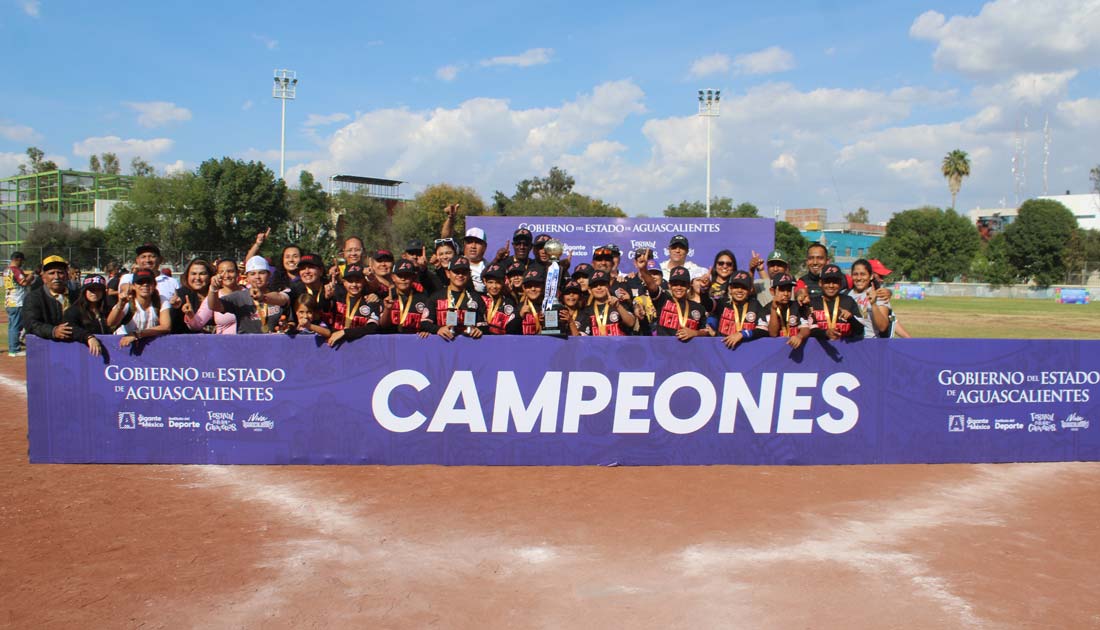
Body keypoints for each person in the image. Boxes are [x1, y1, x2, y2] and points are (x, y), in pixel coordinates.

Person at [205, 256, 287, 334]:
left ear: (269, 275)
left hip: (275, 342)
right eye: (252, 274)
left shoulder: (278, 295)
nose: (257, 277)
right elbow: (214, 306)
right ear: (247, 277)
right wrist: (213, 288)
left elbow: (288, 313)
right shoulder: (239, 297)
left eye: (262, 273)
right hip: (246, 342)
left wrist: (287, 325)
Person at [419, 257, 486, 341]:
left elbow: (483, 325)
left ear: (469, 274)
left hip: (468, 343)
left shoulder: (476, 298)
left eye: (464, 272)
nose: (460, 275)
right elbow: (425, 323)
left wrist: (479, 330)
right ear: (448, 274)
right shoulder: (436, 297)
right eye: (456, 272)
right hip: (443, 342)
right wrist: (438, 329)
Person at [639, 265, 708, 341]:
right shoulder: (662, 300)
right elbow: (652, 286)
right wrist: (643, 269)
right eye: (675, 284)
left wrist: (694, 333)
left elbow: (706, 332)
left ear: (688, 286)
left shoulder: (698, 308)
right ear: (669, 285)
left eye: (683, 284)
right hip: (663, 347)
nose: (679, 287)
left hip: (688, 348)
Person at [22, 255, 79, 344]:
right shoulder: (33, 298)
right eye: (51, 273)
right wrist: (53, 331)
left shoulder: (77, 296)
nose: (56, 277)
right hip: (46, 346)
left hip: (75, 344)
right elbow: (31, 324)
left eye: (60, 272)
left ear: (66, 276)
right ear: (43, 277)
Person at [109, 268, 171, 348]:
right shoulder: (128, 301)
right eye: (140, 282)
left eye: (149, 282)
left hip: (148, 343)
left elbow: (166, 327)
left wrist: (137, 334)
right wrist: (119, 306)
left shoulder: (161, 300)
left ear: (154, 285)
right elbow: (111, 323)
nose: (145, 285)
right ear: (134, 286)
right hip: (123, 344)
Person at [709, 270, 768, 350]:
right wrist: (704, 289)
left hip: (747, 351)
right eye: (736, 287)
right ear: (730, 288)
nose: (739, 290)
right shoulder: (722, 303)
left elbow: (764, 330)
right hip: (722, 350)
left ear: (750, 289)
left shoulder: (755, 305)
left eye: (744, 287)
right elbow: (707, 305)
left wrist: (742, 334)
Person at [327, 264, 381, 346]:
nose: (354, 285)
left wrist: (345, 332)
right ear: (344, 282)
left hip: (360, 347)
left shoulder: (371, 300)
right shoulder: (336, 298)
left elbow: (372, 327)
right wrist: (326, 298)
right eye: (350, 281)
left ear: (364, 281)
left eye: (358, 281)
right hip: (334, 345)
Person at [808, 264, 864, 341]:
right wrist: (825, 333)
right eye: (827, 282)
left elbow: (860, 330)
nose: (831, 285)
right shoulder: (813, 303)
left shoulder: (849, 301)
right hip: (819, 347)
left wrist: (851, 318)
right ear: (820, 283)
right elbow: (810, 330)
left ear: (840, 283)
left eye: (835, 282)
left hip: (845, 347)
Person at [191, 259, 246, 334]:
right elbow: (197, 325)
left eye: (230, 271)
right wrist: (189, 314)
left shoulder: (249, 293)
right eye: (221, 272)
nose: (226, 275)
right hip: (224, 340)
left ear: (237, 273)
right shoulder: (213, 296)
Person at [574, 270, 636, 336]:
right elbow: (582, 336)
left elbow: (631, 323)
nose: (599, 287)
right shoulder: (586, 311)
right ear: (589, 290)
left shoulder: (619, 303)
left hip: (619, 342)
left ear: (608, 287)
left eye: (602, 284)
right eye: (595, 285)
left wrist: (618, 306)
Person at [63, 275, 113, 356]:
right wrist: (88, 337)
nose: (95, 293)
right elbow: (70, 327)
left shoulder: (107, 310)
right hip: (82, 353)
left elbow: (121, 322)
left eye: (98, 290)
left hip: (107, 352)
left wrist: (131, 334)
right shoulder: (74, 311)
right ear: (84, 291)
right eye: (91, 290)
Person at [382, 260, 431, 336]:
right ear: (393, 277)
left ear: (413, 277)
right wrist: (387, 309)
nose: (403, 279)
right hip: (391, 341)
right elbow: (382, 326)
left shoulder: (423, 299)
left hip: (414, 341)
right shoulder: (386, 296)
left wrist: (426, 331)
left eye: (407, 276)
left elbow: (428, 325)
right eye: (399, 276)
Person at [287, 253, 334, 327]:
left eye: (311, 267)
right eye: (303, 268)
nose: (307, 271)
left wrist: (327, 299)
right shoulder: (295, 290)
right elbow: (282, 297)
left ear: (321, 271)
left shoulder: (330, 288)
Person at [765, 273, 811, 349]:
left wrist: (799, 336)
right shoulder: (767, 308)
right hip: (776, 350)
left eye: (789, 290)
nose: (786, 294)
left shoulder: (796, 306)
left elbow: (805, 328)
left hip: (795, 348)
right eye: (782, 290)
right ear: (772, 291)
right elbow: (773, 333)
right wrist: (773, 309)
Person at [848, 259, 892, 338]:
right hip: (848, 342)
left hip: (870, 342)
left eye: (863, 274)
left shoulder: (879, 295)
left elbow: (883, 327)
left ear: (871, 276)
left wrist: (873, 304)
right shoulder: (845, 294)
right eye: (855, 274)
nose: (859, 278)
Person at [170, 258, 214, 334]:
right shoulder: (181, 295)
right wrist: (175, 309)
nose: (197, 278)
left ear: (210, 276)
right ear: (187, 276)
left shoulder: (219, 294)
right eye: (193, 274)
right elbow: (173, 326)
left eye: (202, 274)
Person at [480, 263, 521, 335]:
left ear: (503, 282)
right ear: (484, 281)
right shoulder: (479, 299)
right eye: (490, 282)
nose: (494, 286)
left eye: (498, 282)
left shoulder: (509, 302)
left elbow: (512, 329)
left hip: (501, 339)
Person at [4, 251, 33, 356]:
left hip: (10, 301)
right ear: (17, 259)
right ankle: (14, 349)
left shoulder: (7, 270)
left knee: (13, 326)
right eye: (21, 261)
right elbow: (23, 282)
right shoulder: (15, 270)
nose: (22, 263)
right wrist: (31, 277)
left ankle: (13, 347)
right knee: (16, 326)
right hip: (17, 301)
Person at [462, 227, 488, 293]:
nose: (473, 246)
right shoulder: (455, 264)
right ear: (464, 245)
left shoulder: (489, 268)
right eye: (469, 242)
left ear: (484, 247)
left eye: (478, 242)